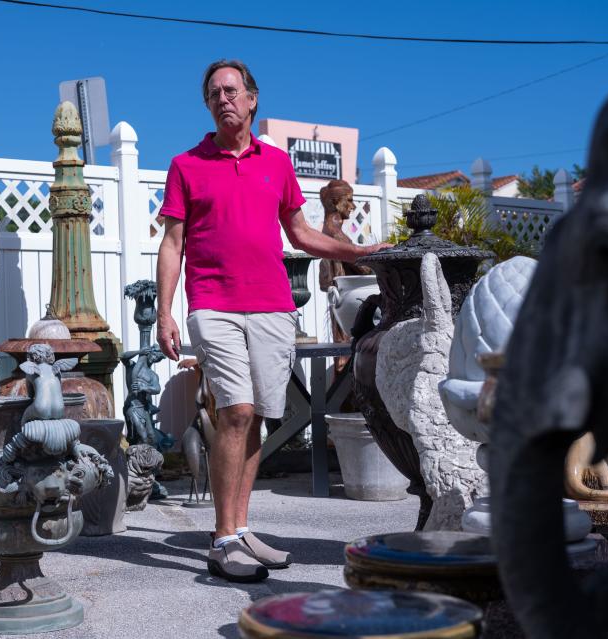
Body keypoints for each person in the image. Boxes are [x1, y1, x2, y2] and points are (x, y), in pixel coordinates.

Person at [155, 59, 390, 582]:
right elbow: (172, 244)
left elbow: (303, 234)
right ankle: (221, 540)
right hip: (214, 304)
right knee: (235, 410)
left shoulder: (276, 164)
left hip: (273, 306)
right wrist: (165, 312)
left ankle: (239, 530)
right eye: (214, 93)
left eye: (232, 90)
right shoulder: (186, 165)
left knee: (259, 413)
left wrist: (363, 250)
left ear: (253, 99)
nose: (223, 99)